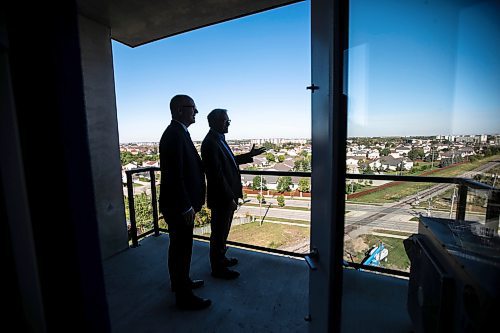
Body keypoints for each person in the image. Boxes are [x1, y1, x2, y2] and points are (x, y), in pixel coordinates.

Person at [159, 95, 211, 310]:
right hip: (180, 206)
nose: (197, 112)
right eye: (193, 108)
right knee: (181, 250)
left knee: (180, 248)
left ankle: (181, 283)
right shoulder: (175, 135)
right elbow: (174, 174)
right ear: (180, 109)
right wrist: (185, 205)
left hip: (180, 204)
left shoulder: (179, 132)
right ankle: (184, 297)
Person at [201, 109, 266, 279]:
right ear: (214, 122)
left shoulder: (219, 139)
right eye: (225, 120)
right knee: (219, 234)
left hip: (226, 196)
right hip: (222, 197)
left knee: (223, 232)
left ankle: (221, 260)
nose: (228, 123)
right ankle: (218, 269)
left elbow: (229, 160)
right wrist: (229, 196)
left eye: (228, 120)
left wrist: (249, 155)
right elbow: (216, 175)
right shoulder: (210, 142)